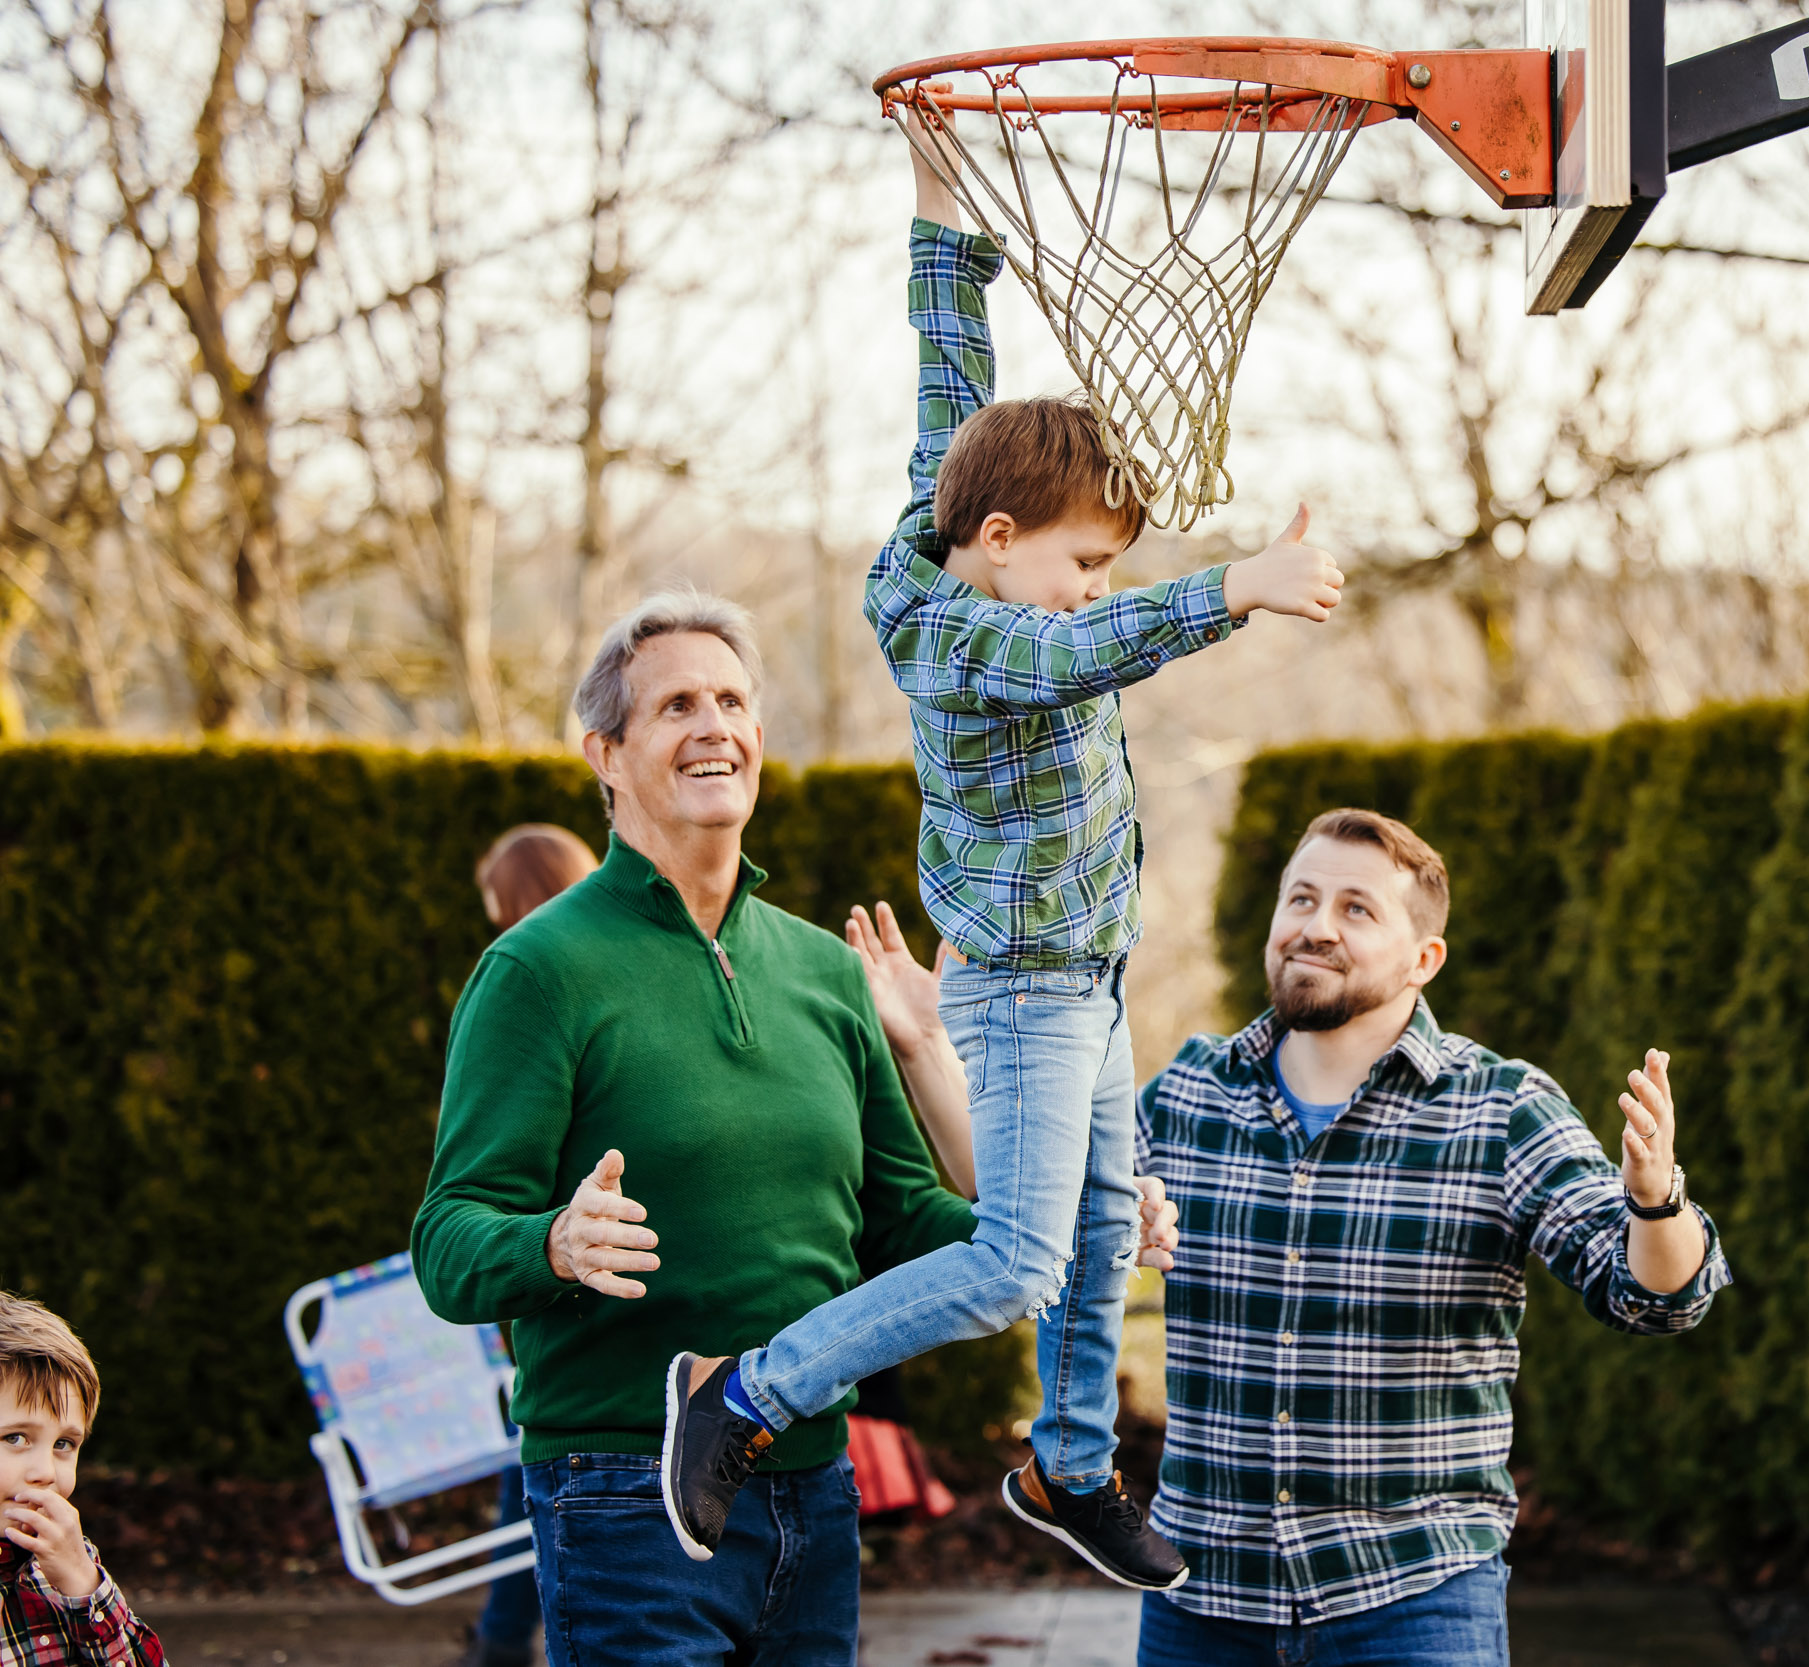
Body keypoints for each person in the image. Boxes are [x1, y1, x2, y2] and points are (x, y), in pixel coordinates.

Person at [655, 119, 1344, 1590]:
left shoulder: (953, 512)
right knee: (1018, 1262)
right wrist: (1233, 589)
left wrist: (940, 209)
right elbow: (1089, 639)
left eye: (1106, 562)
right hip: (1023, 991)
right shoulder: (965, 637)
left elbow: (947, 373)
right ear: (1010, 538)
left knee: (1100, 1244)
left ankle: (1072, 1463)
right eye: (1086, 557)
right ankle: (745, 1390)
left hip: (1083, 978)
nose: (1095, 582)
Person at [410, 589, 1179, 1666]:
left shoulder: (825, 971)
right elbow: (446, 1241)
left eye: (731, 699)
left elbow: (907, 1216)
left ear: (759, 737)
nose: (713, 724)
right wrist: (550, 1242)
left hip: (814, 1489)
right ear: (606, 752)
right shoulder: (538, 971)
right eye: (676, 704)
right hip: (620, 1491)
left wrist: (1071, 1213)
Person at [840, 809, 1735, 1665]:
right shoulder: (1192, 1091)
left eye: (1356, 908)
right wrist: (925, 1044)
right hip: (1203, 1608)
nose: (1315, 925)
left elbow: (1654, 1296)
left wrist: (1657, 1203)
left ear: (1425, 957)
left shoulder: (1500, 1107)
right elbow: (1024, 1203)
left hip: (1415, 1602)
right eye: (1300, 898)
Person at [456, 823, 600, 1667]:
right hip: (559, 1270)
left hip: (566, 1297)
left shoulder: (523, 991)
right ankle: (504, 1634)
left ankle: (503, 1636)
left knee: (536, 1462)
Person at [0, 1293, 163, 1667]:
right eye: (15, 1438)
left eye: (63, 1444)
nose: (45, 1472)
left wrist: (84, 1585)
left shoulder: (68, 1560)